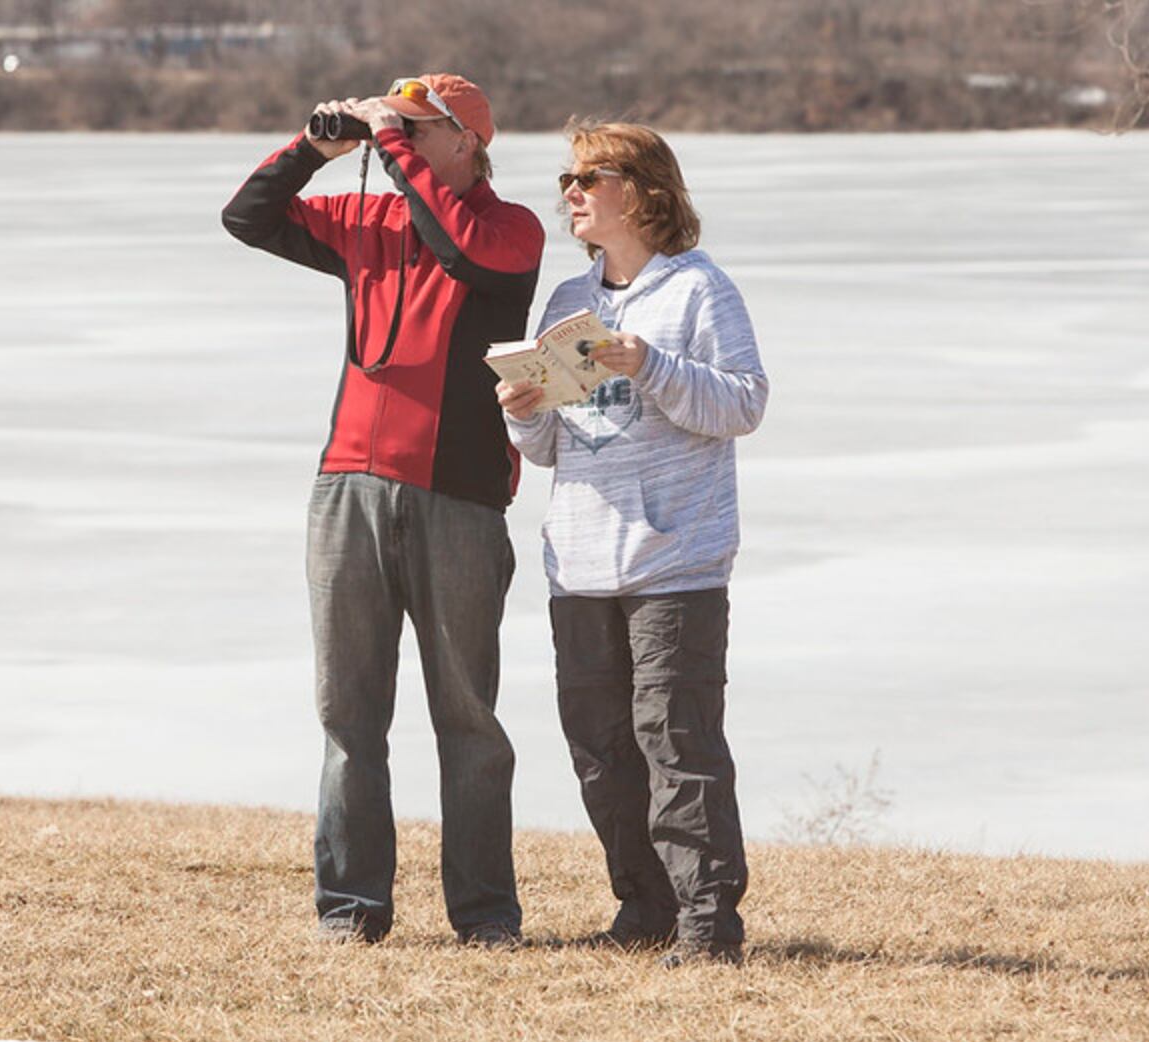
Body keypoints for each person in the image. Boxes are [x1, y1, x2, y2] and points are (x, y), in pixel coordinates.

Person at [221, 75, 545, 946]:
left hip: (461, 499)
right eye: (391, 125)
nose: (393, 137)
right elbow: (246, 218)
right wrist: (311, 150)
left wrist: (391, 152)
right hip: (346, 490)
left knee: (468, 719)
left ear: (468, 143)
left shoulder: (511, 229)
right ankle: (350, 911)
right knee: (348, 716)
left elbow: (466, 255)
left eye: (415, 129)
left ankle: (485, 917)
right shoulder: (369, 221)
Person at [498, 121, 768, 967]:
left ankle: (707, 925)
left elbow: (743, 405)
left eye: (589, 176)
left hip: (673, 561)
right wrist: (525, 414)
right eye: (566, 178)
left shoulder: (698, 291)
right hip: (578, 561)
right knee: (601, 751)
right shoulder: (565, 304)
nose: (571, 192)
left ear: (643, 189)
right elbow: (555, 449)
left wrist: (648, 363)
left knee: (675, 744)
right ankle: (643, 909)